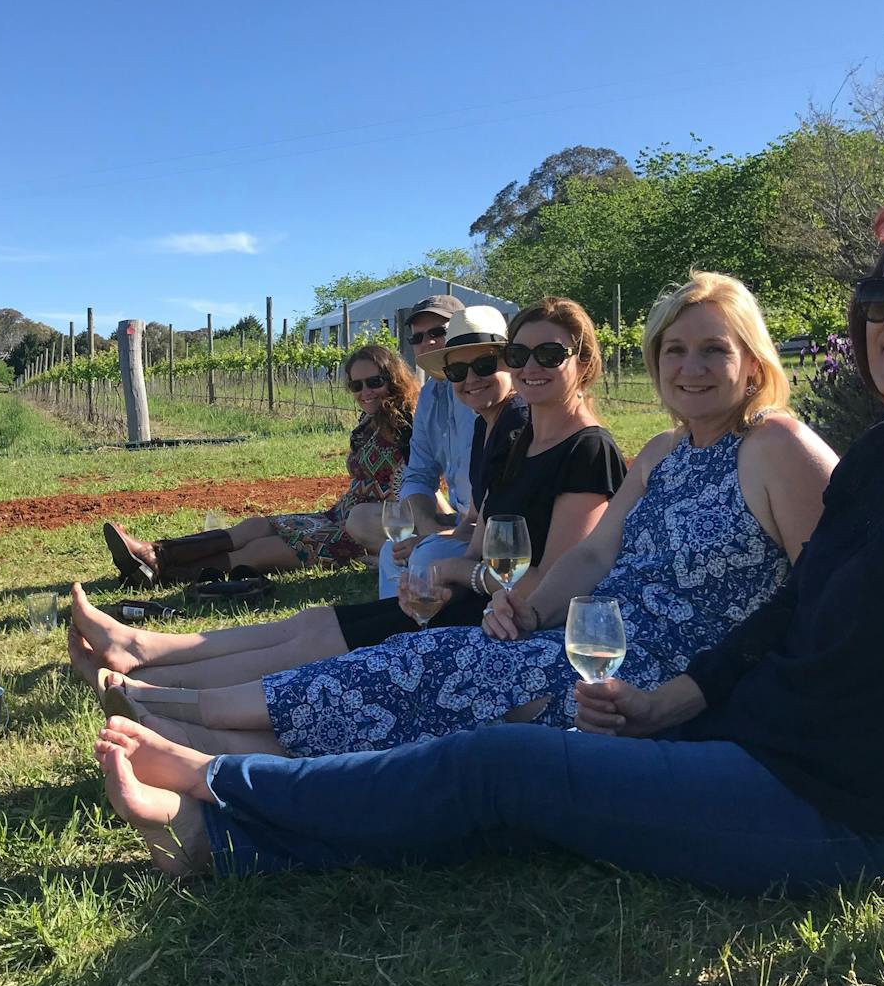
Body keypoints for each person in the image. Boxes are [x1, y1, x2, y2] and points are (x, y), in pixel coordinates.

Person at [94, 166, 884, 895]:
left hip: (853, 813)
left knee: (498, 764)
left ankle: (219, 795)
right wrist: (674, 699)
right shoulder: (882, 459)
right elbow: (796, 605)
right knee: (522, 779)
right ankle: (226, 821)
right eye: (882, 299)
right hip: (749, 738)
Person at [95, 273, 834, 756]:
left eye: (714, 350)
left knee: (444, 680)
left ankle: (195, 734)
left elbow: (829, 596)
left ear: (754, 361)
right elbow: (590, 559)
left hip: (667, 675)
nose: (690, 367)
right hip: (594, 640)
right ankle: (198, 729)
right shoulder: (663, 452)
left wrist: (690, 695)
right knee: (425, 660)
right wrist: (522, 607)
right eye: (675, 349)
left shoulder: (776, 444)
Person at [71, 299, 622, 693]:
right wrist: (446, 562)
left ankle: (154, 685)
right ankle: (145, 650)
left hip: (507, 619)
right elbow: (482, 530)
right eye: (519, 355)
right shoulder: (514, 437)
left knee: (320, 638)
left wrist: (451, 573)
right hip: (480, 597)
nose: (527, 367)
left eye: (548, 354)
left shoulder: (586, 449)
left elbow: (560, 576)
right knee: (314, 623)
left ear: (584, 360)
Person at [101, 344, 417, 584]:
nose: (364, 392)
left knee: (258, 552)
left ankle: (159, 574)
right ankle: (155, 553)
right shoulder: (368, 422)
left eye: (373, 382)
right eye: (356, 385)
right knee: (256, 526)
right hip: (338, 514)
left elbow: (420, 480)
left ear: (393, 379)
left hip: (362, 528)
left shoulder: (408, 424)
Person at [376, 294, 509, 598]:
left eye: (439, 332)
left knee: (424, 556)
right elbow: (418, 474)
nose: (428, 342)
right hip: (466, 524)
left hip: (493, 530)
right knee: (391, 552)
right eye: (418, 337)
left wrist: (440, 537)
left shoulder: (486, 400)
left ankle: (421, 627)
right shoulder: (431, 397)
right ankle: (403, 629)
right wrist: (427, 528)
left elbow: (497, 502)